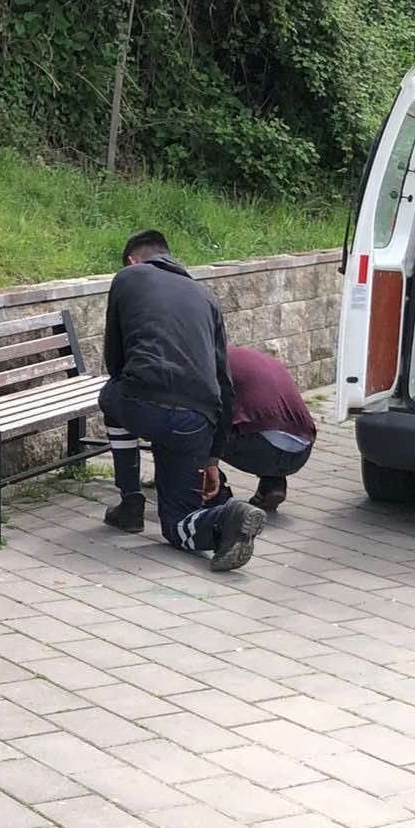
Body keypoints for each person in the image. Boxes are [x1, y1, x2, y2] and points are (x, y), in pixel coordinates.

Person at [99, 230, 266, 572]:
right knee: (177, 523)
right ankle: (226, 518)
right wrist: (212, 458)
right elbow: (224, 383)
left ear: (132, 260)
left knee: (111, 396)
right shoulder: (206, 297)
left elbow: (114, 361)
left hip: (142, 403)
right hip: (197, 421)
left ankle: (130, 501)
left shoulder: (128, 277)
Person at [219, 346, 317, 511]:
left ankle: (215, 493)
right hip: (302, 450)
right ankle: (272, 485)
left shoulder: (214, 364)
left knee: (193, 425)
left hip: (262, 449)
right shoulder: (251, 358)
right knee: (262, 420)